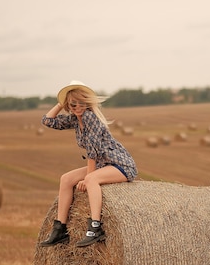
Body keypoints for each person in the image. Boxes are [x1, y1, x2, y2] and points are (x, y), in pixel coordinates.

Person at [39, 80, 137, 247]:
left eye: (81, 103)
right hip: (103, 165)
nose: (77, 107)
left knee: (91, 180)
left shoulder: (90, 117)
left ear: (87, 102)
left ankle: (95, 228)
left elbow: (93, 153)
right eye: (73, 104)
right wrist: (60, 104)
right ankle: (60, 229)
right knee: (66, 179)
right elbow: (47, 121)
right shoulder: (76, 120)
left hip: (120, 165)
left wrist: (87, 178)